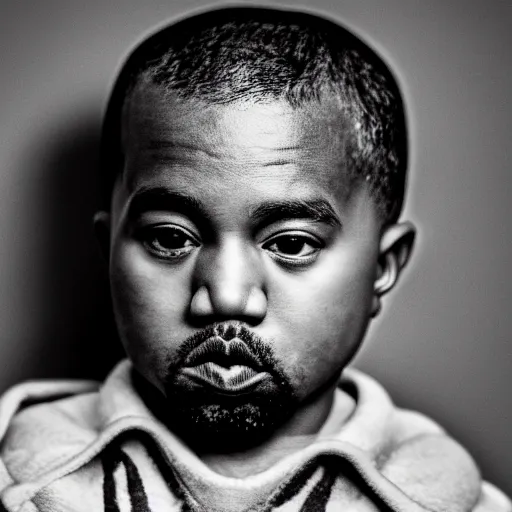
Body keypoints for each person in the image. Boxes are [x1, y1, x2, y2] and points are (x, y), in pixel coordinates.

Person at [0, 6, 509, 512]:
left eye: (290, 244)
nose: (225, 296)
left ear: (383, 266)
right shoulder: (12, 473)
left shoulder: (456, 502)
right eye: (170, 238)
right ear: (109, 249)